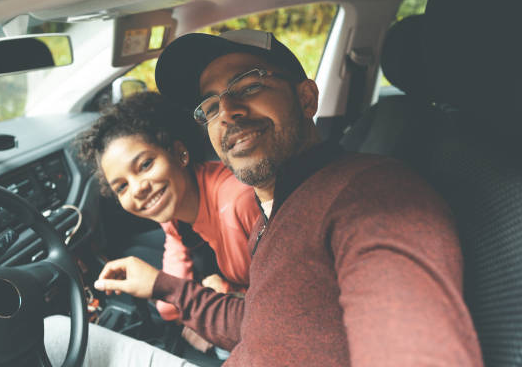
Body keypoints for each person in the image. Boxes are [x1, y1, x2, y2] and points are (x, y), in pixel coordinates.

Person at [47, 29, 484, 366]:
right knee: (55, 332)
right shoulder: (276, 211)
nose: (228, 112)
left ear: (306, 97)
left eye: (249, 85)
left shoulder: (371, 197)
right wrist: (164, 286)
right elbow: (258, 322)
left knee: (50, 334)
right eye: (210, 106)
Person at [74, 92, 259, 346]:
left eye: (146, 164)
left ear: (180, 153)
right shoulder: (174, 216)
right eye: (122, 187)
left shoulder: (239, 203)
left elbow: (280, 311)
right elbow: (168, 309)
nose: (138, 188)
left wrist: (227, 294)